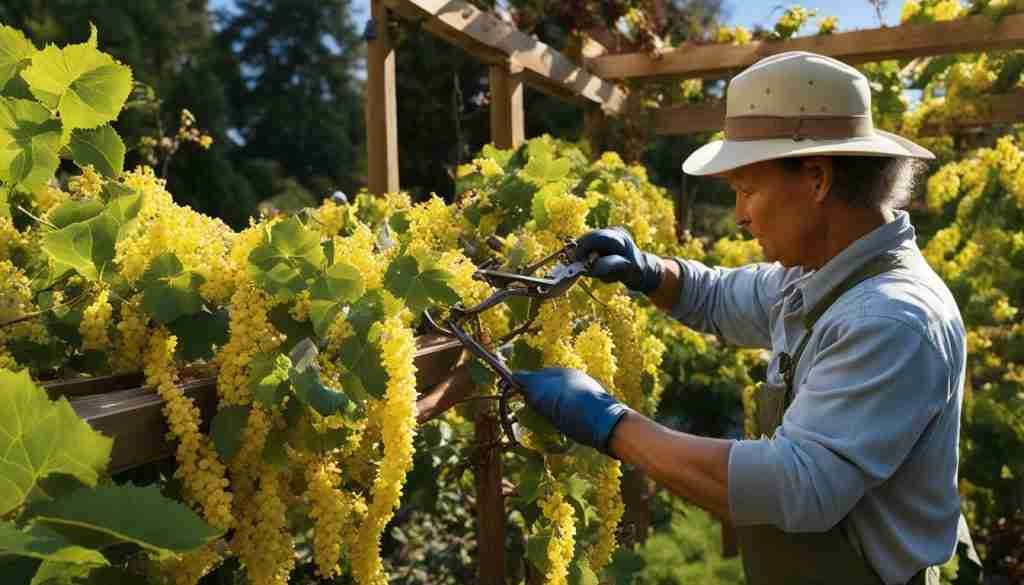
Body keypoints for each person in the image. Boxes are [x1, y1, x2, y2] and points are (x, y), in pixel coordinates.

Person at [513, 51, 981, 585]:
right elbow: (717, 296)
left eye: (747, 188)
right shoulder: (814, 276)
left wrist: (611, 424)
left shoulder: (891, 318)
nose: (739, 214)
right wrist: (649, 271)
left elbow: (796, 486)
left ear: (816, 178)